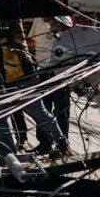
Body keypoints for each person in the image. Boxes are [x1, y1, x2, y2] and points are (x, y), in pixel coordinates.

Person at [0, 0, 71, 159]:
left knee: (40, 113)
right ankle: (6, 151)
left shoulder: (11, 19)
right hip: (6, 78)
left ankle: (62, 143)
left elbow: (4, 36)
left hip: (22, 75)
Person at [27, 15, 74, 155]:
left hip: (59, 71)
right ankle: (45, 143)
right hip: (42, 70)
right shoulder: (37, 19)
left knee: (61, 110)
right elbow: (32, 40)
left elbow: (71, 33)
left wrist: (57, 22)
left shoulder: (62, 18)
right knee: (42, 109)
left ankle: (62, 144)